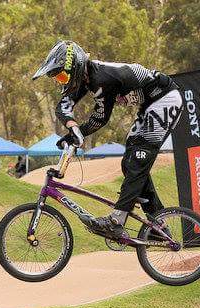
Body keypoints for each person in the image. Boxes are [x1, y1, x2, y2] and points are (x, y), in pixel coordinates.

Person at [32, 40, 183, 238]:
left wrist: (77, 132)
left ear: (75, 67)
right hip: (149, 105)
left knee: (137, 160)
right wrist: (73, 129)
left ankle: (116, 221)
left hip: (165, 99)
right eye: (58, 78)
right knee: (130, 164)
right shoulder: (85, 78)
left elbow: (100, 119)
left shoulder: (102, 78)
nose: (61, 81)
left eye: (62, 76)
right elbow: (63, 107)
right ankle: (157, 225)